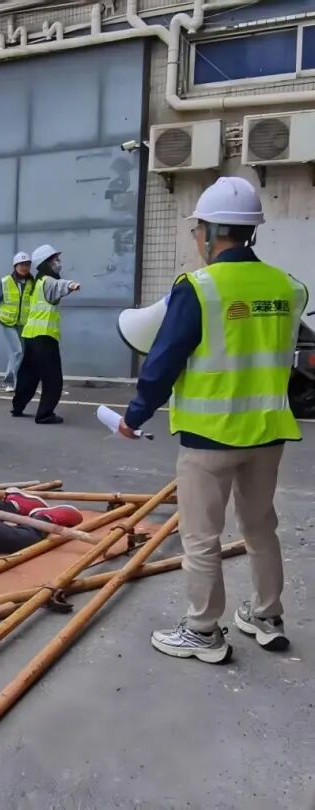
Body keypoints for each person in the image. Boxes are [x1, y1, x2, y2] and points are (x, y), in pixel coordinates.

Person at [118, 177, 308, 664]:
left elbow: (163, 362)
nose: (196, 238)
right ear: (251, 233)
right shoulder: (289, 288)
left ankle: (203, 630)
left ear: (211, 232)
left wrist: (134, 415)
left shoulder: (199, 289)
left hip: (210, 439)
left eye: (199, 229)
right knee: (260, 526)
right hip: (268, 434)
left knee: (202, 536)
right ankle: (266, 616)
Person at [10, 244, 81, 424]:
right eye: (54, 260)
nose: (58, 263)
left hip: (31, 337)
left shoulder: (38, 284)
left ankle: (17, 407)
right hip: (45, 338)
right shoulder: (48, 281)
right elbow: (58, 285)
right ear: (45, 263)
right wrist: (71, 285)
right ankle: (44, 414)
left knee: (29, 375)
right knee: (53, 379)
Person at [0, 252, 35, 392]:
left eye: (27, 264)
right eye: (21, 264)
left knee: (17, 353)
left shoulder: (33, 282)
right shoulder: (5, 281)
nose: (24, 267)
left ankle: (9, 380)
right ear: (15, 266)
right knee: (18, 352)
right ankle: (14, 383)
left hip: (23, 323)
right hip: (8, 322)